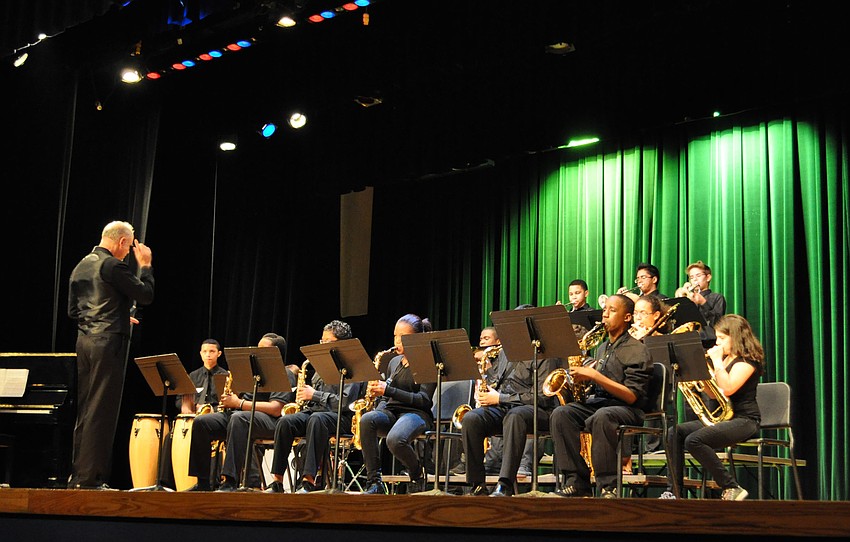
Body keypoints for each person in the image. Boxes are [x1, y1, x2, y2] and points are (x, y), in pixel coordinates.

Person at [67, 220, 154, 490]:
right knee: (102, 410)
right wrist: (146, 266)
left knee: (86, 409)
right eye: (128, 248)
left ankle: (78, 476)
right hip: (108, 343)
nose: (127, 254)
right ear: (122, 241)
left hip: (85, 341)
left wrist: (116, 315)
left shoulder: (81, 265)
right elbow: (145, 294)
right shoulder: (113, 265)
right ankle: (91, 479)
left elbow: (74, 311)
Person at [549, 294, 653, 498]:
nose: (605, 314)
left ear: (627, 317)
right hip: (600, 403)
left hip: (628, 408)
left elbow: (632, 396)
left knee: (602, 416)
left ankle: (608, 486)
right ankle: (576, 481)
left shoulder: (638, 350)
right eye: (605, 310)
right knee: (561, 414)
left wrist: (595, 375)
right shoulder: (603, 347)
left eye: (612, 311)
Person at [461, 304, 563, 497]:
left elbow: (542, 397)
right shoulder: (505, 352)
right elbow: (498, 383)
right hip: (505, 408)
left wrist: (500, 398)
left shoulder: (545, 353)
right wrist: (487, 392)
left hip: (537, 410)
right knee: (471, 419)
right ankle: (476, 484)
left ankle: (505, 483)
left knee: (515, 416)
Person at [664, 314, 763, 501]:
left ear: (736, 337)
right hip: (724, 419)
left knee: (694, 440)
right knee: (673, 433)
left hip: (744, 420)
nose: (717, 343)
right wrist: (697, 374)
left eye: (722, 338)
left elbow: (728, 388)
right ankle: (673, 492)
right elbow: (713, 394)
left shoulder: (747, 362)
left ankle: (731, 486)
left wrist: (716, 363)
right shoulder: (724, 361)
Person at [185, 333, 297, 491]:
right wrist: (231, 401)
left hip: (271, 421)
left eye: (263, 349)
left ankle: (230, 481)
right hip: (243, 416)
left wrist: (240, 403)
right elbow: (241, 400)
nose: (257, 352)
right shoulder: (253, 372)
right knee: (202, 422)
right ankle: (203, 482)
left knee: (239, 418)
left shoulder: (285, 373)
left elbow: (276, 408)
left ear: (276, 353)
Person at [265, 320, 363, 493]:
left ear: (342, 343)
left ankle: (308, 481)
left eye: (327, 341)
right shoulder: (321, 365)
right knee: (286, 421)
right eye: (322, 341)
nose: (322, 345)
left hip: (342, 417)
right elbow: (313, 398)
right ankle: (277, 481)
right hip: (316, 413)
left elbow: (345, 402)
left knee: (317, 419)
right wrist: (305, 398)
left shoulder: (353, 366)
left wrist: (314, 395)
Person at [359, 314, 437, 494]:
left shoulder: (427, 361)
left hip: (417, 414)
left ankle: (417, 473)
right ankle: (374, 482)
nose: (397, 341)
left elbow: (424, 400)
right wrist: (379, 409)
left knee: (395, 440)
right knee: (367, 420)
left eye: (403, 337)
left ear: (416, 338)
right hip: (392, 411)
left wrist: (388, 390)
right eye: (395, 336)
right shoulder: (394, 362)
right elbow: (385, 398)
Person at [674, 260, 727, 343]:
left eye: (698, 276)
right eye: (691, 277)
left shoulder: (717, 297)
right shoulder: (688, 297)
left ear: (708, 277)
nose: (694, 279)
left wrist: (703, 303)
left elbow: (717, 323)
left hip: (708, 340)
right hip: (687, 339)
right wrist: (682, 300)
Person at [178, 339, 229, 415]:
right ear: (200, 353)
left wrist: (211, 410)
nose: (208, 354)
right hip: (194, 413)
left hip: (216, 415)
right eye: (204, 351)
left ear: (219, 354)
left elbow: (229, 402)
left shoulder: (225, 376)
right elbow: (179, 399)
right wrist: (186, 406)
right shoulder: (192, 376)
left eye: (212, 351)